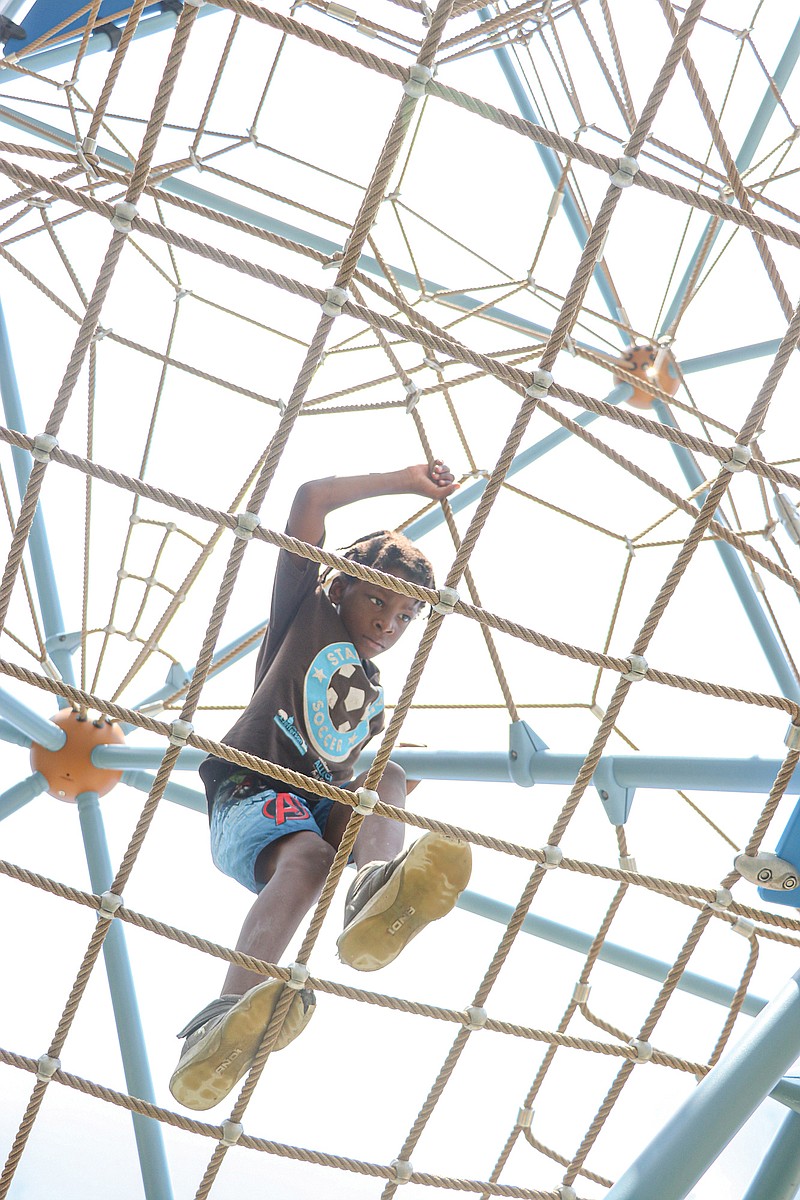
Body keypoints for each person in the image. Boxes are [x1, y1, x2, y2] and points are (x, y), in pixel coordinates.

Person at [170, 461, 473, 1110]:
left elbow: (359, 776)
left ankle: (375, 889)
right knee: (306, 858)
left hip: (313, 805)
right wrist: (408, 481)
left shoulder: (374, 699)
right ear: (342, 588)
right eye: (377, 600)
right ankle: (222, 1017)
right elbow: (311, 498)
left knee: (385, 774)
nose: (387, 624)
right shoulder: (303, 611)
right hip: (249, 790)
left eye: (404, 616)